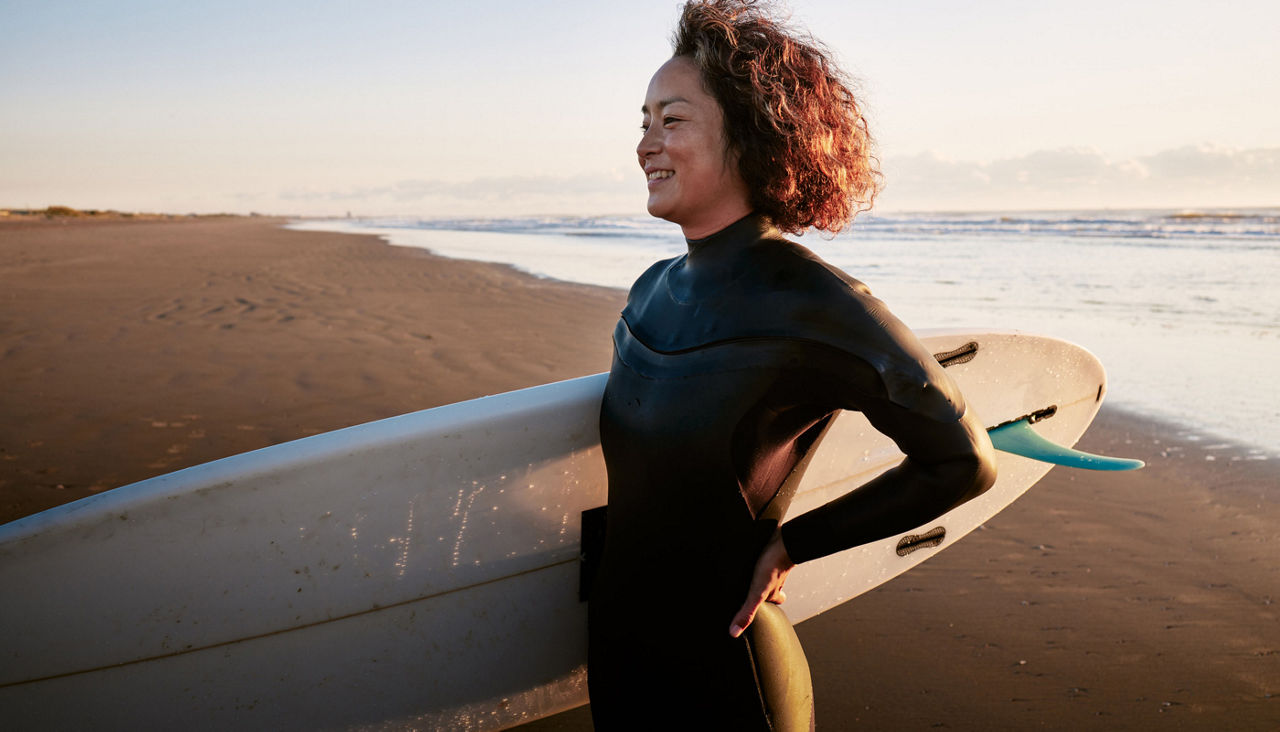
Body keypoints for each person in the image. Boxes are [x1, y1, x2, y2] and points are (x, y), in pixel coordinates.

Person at [586, 1, 997, 728]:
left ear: (748, 135)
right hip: (619, 664)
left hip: (729, 672)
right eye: (642, 122)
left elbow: (962, 461)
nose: (646, 144)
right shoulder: (651, 291)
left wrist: (793, 542)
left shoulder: (817, 302)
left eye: (671, 120)